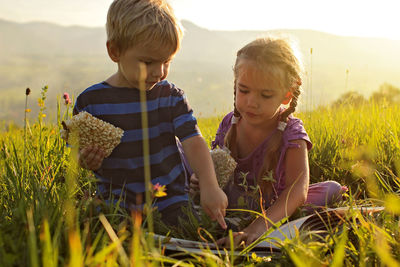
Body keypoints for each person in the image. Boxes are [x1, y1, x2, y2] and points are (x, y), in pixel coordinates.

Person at [74, 0, 227, 229]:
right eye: (148, 62)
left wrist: (209, 185)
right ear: (115, 51)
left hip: (170, 199)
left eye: (167, 61)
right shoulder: (91, 103)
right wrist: (84, 160)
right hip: (115, 204)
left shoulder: (170, 96)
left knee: (189, 237)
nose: (160, 72)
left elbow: (193, 141)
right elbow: (76, 155)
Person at [189, 37, 347, 246]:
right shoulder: (230, 122)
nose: (252, 102)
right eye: (244, 90)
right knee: (179, 154)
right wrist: (202, 177)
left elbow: (298, 189)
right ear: (235, 85)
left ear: (286, 96)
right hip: (230, 200)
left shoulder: (292, 133)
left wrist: (259, 226)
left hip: (274, 206)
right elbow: (216, 167)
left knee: (331, 189)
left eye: (265, 95)